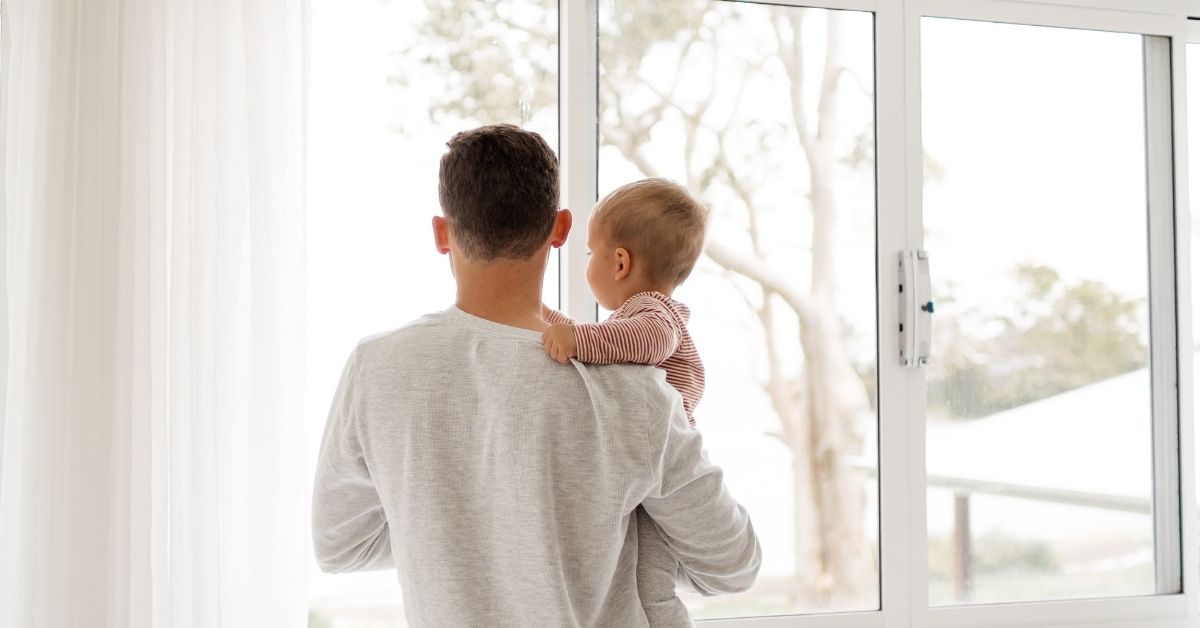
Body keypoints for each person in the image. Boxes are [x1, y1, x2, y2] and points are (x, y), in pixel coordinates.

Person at [311, 123, 761, 628]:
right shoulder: (633, 388)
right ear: (561, 228)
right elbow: (733, 565)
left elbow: (340, 546)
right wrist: (584, 535)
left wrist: (456, 528)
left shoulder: (377, 369)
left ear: (442, 234)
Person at [541, 178, 709, 627]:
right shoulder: (630, 320)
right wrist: (539, 316)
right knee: (635, 573)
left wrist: (577, 338)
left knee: (651, 583)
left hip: (664, 471)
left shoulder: (656, 315)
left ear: (619, 263)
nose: (587, 263)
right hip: (644, 468)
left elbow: (641, 341)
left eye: (589, 252)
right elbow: (607, 342)